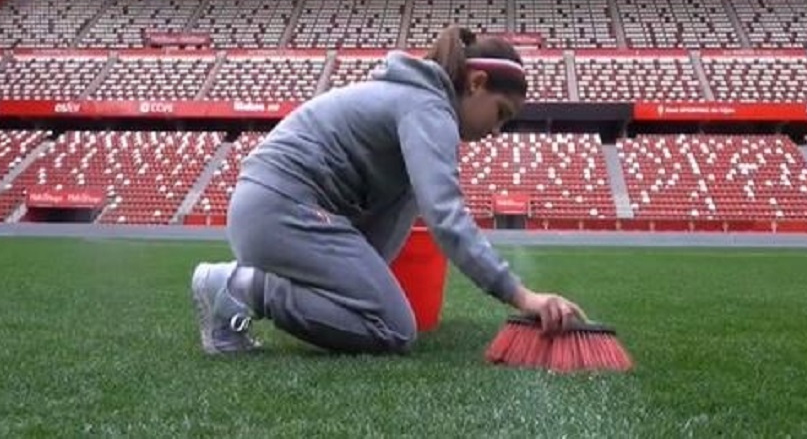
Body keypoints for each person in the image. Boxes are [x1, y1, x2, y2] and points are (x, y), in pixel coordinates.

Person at [189, 24, 586, 356]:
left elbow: (399, 215)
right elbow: (445, 217)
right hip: (279, 209)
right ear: (477, 83)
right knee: (393, 327)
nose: (497, 130)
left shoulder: (418, 103)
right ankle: (239, 286)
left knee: (389, 301)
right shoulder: (428, 108)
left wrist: (371, 281)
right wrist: (521, 295)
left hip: (274, 209)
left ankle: (241, 297)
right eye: (501, 113)